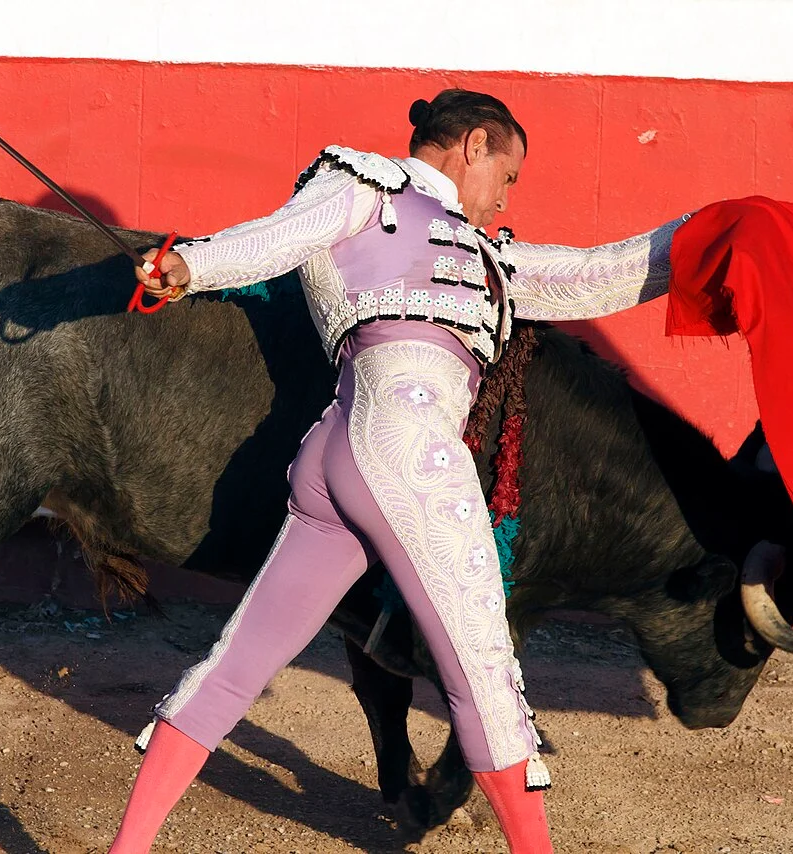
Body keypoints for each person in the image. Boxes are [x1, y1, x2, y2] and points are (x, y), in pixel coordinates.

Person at [111, 88, 688, 854]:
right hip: (408, 449)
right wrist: (191, 264)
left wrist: (702, 238)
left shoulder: (484, 254)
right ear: (475, 145)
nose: (503, 199)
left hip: (342, 451)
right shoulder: (363, 184)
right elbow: (278, 238)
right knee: (486, 678)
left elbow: (595, 275)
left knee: (237, 663)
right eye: (506, 177)